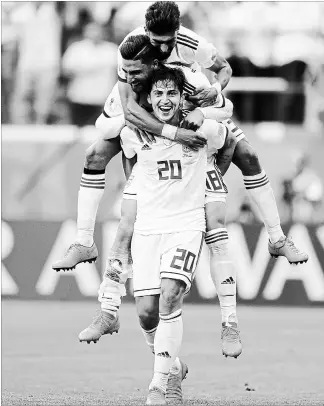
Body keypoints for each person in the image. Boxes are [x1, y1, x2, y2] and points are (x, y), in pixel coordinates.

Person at [53, 1, 308, 277]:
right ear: (146, 32)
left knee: (248, 155)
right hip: (144, 109)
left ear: (178, 30)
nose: (163, 49)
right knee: (95, 155)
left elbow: (224, 71)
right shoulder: (131, 49)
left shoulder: (190, 52)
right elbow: (129, 110)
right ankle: (84, 241)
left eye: (168, 42)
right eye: (156, 42)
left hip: (186, 105)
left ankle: (277, 237)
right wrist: (174, 133)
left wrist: (212, 92)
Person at [54, 34, 241, 361]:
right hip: (152, 168)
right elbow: (105, 127)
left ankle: (230, 321)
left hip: (198, 166)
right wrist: (138, 166)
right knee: (125, 221)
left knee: (217, 224)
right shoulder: (128, 87)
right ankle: (108, 308)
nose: (128, 75)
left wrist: (207, 114)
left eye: (133, 69)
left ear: (153, 62)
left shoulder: (188, 77)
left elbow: (226, 121)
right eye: (125, 70)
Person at [122, 65, 227, 405]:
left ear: (182, 98)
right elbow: (123, 156)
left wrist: (214, 177)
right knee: (146, 314)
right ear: (148, 99)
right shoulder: (135, 133)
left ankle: (157, 386)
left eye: (171, 93)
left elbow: (228, 142)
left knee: (170, 296)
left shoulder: (203, 128)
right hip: (148, 229)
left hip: (186, 225)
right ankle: (173, 367)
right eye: (158, 94)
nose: (165, 100)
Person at [62, 22, 118, 126]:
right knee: (78, 128)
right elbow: (66, 71)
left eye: (97, 31)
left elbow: (119, 74)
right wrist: (83, 70)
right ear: (85, 32)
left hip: (103, 99)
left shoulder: (112, 49)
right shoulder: (76, 48)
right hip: (79, 97)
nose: (95, 34)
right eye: (91, 30)